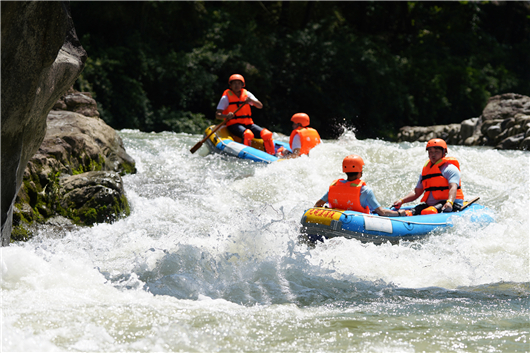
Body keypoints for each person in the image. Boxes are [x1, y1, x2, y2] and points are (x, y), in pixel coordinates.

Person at [314, 155, 410, 217]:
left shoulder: (334, 187)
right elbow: (382, 212)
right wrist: (398, 213)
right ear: (360, 171)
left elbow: (318, 205)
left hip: (336, 220)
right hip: (356, 225)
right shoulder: (365, 190)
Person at [392, 138, 464, 215]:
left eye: (436, 152)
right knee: (413, 211)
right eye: (430, 152)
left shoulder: (450, 169)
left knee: (430, 211)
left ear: (444, 153)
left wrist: (449, 202)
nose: (433, 154)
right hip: (430, 205)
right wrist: (402, 201)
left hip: (449, 204)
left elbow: (453, 187)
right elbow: (416, 192)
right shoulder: (426, 171)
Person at [215, 74, 275, 155]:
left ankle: (272, 156)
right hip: (233, 125)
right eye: (234, 83)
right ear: (230, 85)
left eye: (239, 83)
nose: (237, 85)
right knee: (248, 134)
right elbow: (217, 114)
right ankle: (245, 155)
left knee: (267, 134)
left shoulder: (247, 95)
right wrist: (226, 116)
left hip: (248, 124)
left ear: (242, 85)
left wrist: (251, 101)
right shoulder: (226, 97)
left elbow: (260, 106)